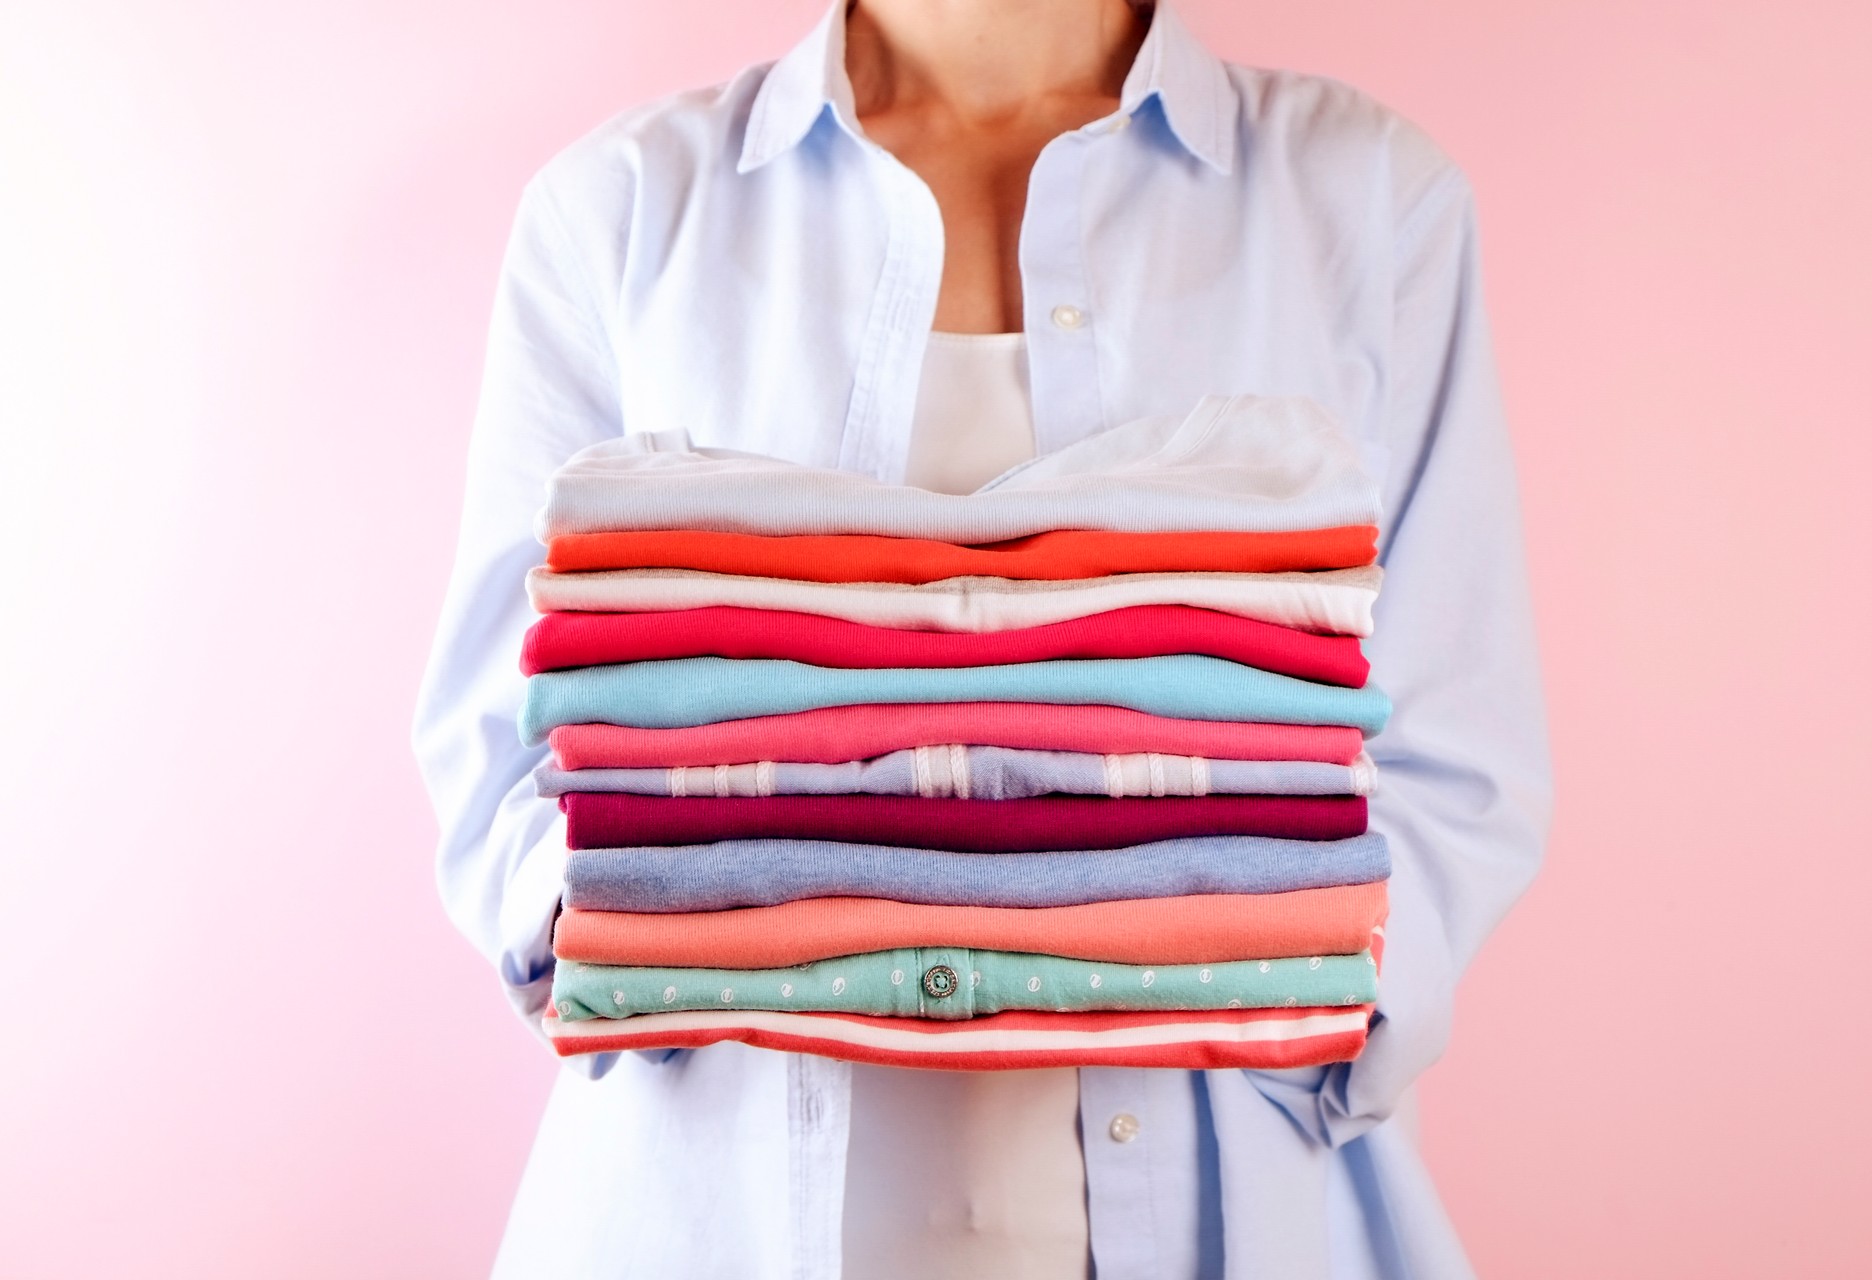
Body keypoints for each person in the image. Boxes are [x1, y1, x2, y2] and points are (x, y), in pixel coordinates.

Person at [412, 0, 1553, 1276]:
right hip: (705, 1216)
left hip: (1235, 1218)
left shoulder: (1366, 200)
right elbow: (500, 747)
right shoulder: (619, 212)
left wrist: (1303, 998)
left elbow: (1457, 749)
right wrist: (648, 944)